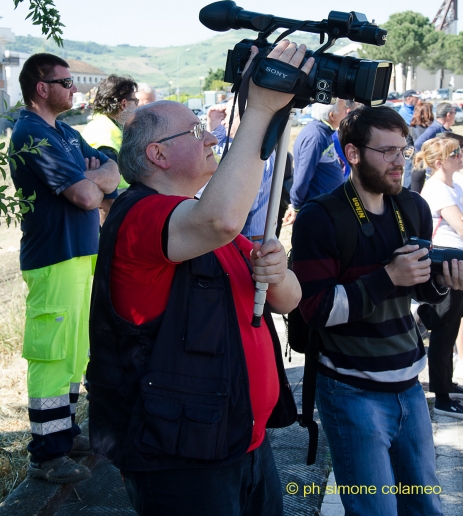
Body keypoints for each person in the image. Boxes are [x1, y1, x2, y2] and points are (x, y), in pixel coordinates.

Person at [87, 40, 312, 516]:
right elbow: (221, 220)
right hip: (182, 458)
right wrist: (261, 107)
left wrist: (280, 270)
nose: (211, 137)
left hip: (242, 441)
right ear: (158, 154)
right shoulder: (141, 217)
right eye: (195, 131)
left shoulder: (200, 219)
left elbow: (287, 301)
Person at [292, 105, 463, 516]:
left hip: (409, 383)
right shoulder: (320, 217)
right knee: (376, 511)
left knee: (426, 509)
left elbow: (420, 291)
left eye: (402, 150)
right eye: (386, 152)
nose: (398, 162)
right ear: (352, 153)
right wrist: (388, 276)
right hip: (350, 391)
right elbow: (314, 309)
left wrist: (442, 280)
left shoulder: (414, 207)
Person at [10, 53, 119, 484]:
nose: (74, 88)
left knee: (75, 351)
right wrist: (93, 181)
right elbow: (89, 199)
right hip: (53, 257)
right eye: (66, 82)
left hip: (80, 253)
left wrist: (97, 175)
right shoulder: (30, 134)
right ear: (42, 87)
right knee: (51, 353)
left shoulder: (66, 135)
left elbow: (112, 167)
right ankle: (47, 454)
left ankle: (65, 432)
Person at [419, 137, 463, 416]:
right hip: (445, 265)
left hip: (456, 260)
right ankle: (443, 396)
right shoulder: (437, 188)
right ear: (439, 162)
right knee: (444, 330)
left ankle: (446, 382)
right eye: (455, 153)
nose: (461, 155)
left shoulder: (453, 184)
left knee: (450, 325)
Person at [206, 98, 275, 242]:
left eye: (229, 117)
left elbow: (240, 207)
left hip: (249, 240)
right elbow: (220, 148)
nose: (224, 122)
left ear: (246, 118)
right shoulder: (251, 147)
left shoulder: (255, 156)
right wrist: (212, 122)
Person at [82, 75, 139, 221]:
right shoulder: (105, 138)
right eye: (135, 101)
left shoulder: (100, 126)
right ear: (124, 104)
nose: (137, 106)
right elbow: (106, 204)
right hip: (113, 223)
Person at [283, 99, 348, 225]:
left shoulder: (323, 132)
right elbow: (302, 177)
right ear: (332, 115)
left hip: (327, 208)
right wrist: (296, 205)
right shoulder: (316, 137)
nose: (346, 112)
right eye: (344, 109)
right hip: (318, 211)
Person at [404, 100, 434, 188]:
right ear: (428, 113)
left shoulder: (411, 128)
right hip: (429, 162)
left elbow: (408, 145)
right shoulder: (433, 129)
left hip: (415, 162)